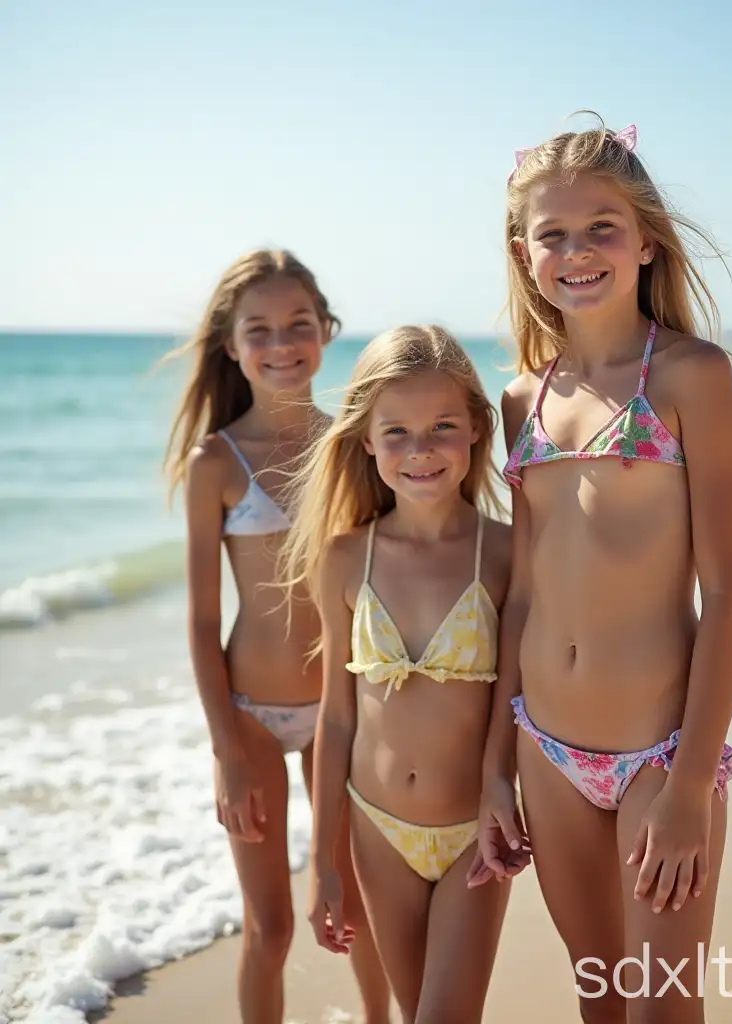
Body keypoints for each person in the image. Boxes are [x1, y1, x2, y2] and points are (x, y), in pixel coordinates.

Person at [471, 117, 732, 1023]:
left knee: (662, 1010)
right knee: (601, 1004)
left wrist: (691, 785)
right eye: (553, 233)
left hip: (659, 760)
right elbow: (520, 598)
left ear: (643, 240)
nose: (576, 250)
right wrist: (493, 770)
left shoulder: (688, 377)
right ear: (524, 253)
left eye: (601, 227)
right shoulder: (522, 398)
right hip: (544, 747)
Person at [163, 249, 391, 1024]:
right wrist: (226, 746)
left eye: (299, 323)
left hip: (346, 709)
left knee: (353, 903)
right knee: (273, 925)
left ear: (326, 331)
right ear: (231, 345)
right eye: (259, 329)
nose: (282, 342)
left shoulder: (357, 444)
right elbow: (198, 619)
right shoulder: (214, 464)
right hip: (251, 713)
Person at [279, 325, 527, 1023]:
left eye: (443, 426)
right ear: (364, 439)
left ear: (478, 428)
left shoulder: (505, 553)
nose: (420, 450)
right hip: (375, 830)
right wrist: (325, 864)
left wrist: (499, 789)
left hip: (472, 834)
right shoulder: (343, 557)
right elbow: (336, 716)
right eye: (397, 433)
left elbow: (514, 699)